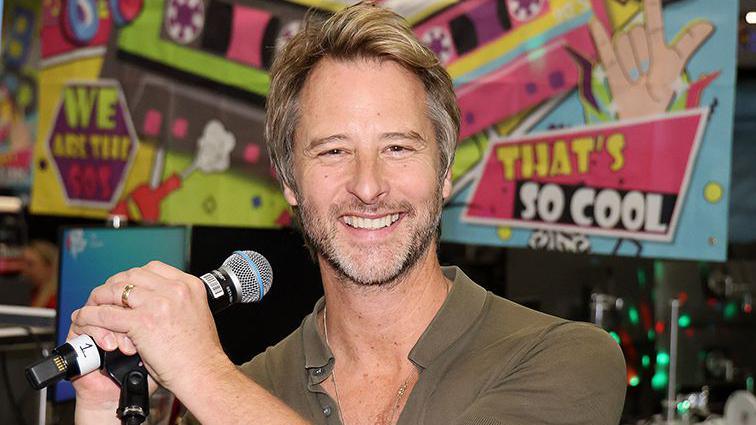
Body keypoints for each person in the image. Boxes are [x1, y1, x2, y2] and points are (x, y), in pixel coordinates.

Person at [69, 3, 627, 424]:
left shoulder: (564, 359)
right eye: (333, 150)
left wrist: (200, 372)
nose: (367, 186)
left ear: (447, 171)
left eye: (399, 148)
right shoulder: (243, 393)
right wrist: (100, 409)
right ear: (289, 180)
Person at [22, 240, 59, 309]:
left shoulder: (55, 302)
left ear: (49, 267)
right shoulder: (33, 293)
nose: (24, 269)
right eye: (23, 263)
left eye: (30, 264)